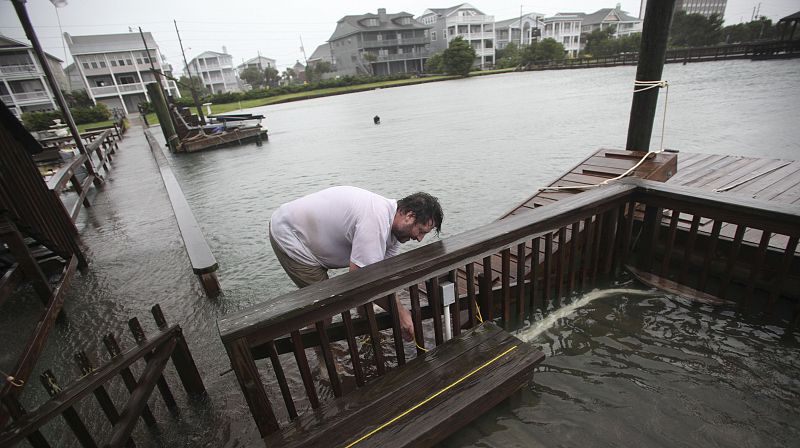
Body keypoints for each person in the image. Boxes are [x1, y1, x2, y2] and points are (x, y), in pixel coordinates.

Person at [269, 186, 443, 341]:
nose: (419, 239)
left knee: (367, 284)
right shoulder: (376, 219)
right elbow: (360, 278)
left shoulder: (395, 232)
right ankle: (322, 356)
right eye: (420, 231)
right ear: (409, 216)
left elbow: (381, 276)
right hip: (291, 235)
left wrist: (396, 308)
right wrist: (401, 314)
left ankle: (365, 324)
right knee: (324, 306)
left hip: (313, 234)